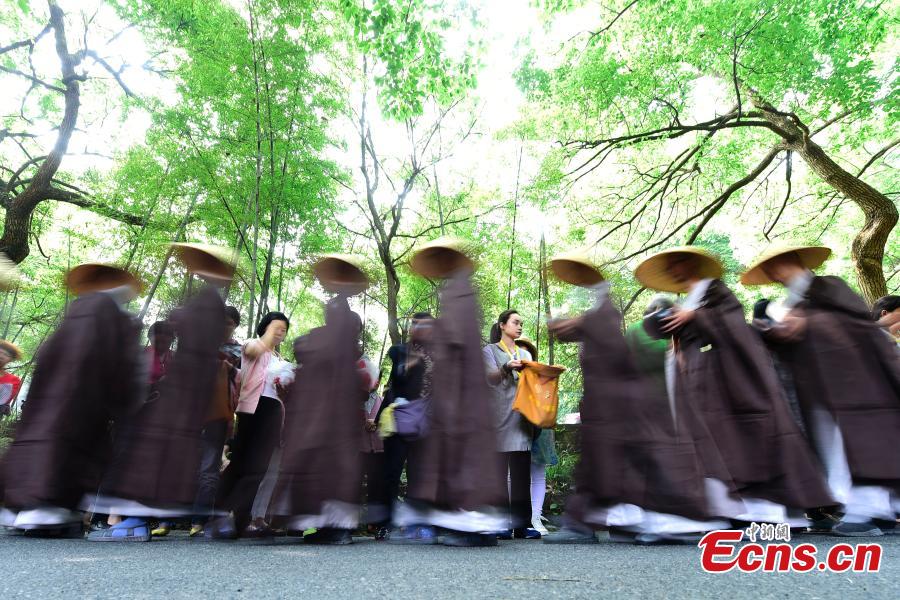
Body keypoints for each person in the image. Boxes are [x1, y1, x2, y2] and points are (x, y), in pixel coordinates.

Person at [633, 246, 834, 528]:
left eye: (677, 263)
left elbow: (733, 325)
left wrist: (696, 317)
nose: (673, 270)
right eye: (669, 267)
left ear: (692, 264)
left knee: (741, 441)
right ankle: (723, 510)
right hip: (698, 379)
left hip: (728, 379)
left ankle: (763, 513)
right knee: (711, 444)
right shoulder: (688, 299)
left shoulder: (714, 290)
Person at [543, 252, 723, 545]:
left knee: (630, 462)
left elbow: (612, 335)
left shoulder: (608, 312)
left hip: (630, 402)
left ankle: (660, 521)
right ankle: (603, 522)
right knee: (609, 463)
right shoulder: (601, 314)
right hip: (620, 401)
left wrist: (577, 324)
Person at [742, 245, 900, 536]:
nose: (775, 274)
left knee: (859, 443)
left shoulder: (829, 285)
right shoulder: (788, 302)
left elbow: (854, 325)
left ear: (791, 261)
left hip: (852, 382)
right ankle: (857, 507)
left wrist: (806, 324)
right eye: (771, 271)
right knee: (830, 447)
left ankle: (870, 509)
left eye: (777, 266)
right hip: (813, 386)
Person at [86, 243, 231, 541]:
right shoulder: (206, 302)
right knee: (157, 452)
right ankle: (132, 517)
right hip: (182, 392)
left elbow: (199, 342)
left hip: (183, 393)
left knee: (156, 452)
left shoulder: (207, 303)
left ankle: (135, 521)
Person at [1, 263, 143, 536]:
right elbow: (123, 366)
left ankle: (19, 506)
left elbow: (46, 355)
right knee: (69, 445)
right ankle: (47, 507)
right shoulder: (118, 318)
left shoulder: (74, 313)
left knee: (37, 441)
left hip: (49, 396)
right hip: (84, 397)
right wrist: (128, 403)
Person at [395, 238, 504, 547]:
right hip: (460, 388)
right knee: (461, 455)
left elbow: (455, 337)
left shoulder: (459, 290)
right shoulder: (459, 289)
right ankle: (468, 522)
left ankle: (473, 524)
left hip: (461, 390)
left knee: (465, 454)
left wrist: (430, 331)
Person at [271, 254, 369, 545]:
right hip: (325, 408)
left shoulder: (342, 328)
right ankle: (329, 526)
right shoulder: (336, 324)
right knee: (323, 463)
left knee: (329, 463)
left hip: (332, 410)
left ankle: (336, 527)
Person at [207, 310, 292, 538]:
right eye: (276, 327)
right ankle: (218, 515)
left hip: (274, 410)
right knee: (242, 463)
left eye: (283, 329)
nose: (279, 332)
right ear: (265, 327)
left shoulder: (280, 359)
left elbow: (280, 390)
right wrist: (269, 337)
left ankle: (242, 521)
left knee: (260, 468)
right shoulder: (252, 344)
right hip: (253, 408)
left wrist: (285, 388)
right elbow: (254, 352)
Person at [483, 310, 539, 539]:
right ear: (502, 325)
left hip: (521, 419)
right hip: (498, 418)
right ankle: (500, 524)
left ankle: (522, 525)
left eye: (521, 323)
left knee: (521, 475)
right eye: (515, 322)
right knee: (497, 475)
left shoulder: (525, 353)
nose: (519, 326)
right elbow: (489, 378)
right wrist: (507, 367)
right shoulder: (489, 350)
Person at [380, 312, 435, 541]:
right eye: (417, 324)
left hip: (428, 420)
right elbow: (396, 381)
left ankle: (418, 523)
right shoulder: (400, 351)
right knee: (392, 471)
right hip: (402, 417)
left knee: (420, 473)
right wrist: (376, 421)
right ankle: (387, 523)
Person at [188, 306, 242, 537]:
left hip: (219, 412)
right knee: (183, 465)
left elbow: (242, 381)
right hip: (191, 411)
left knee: (209, 467)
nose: (224, 326)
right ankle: (169, 518)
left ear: (235, 325)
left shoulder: (239, 351)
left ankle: (199, 519)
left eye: (229, 322)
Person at [514, 337, 557, 536]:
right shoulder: (509, 377)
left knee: (537, 472)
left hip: (539, 424)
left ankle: (535, 517)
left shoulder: (542, 377)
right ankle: (514, 518)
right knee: (512, 473)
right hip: (514, 424)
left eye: (527, 353)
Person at [0, 340, 23, 417]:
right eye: (0, 352)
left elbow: (2, 401)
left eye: (6, 354)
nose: (1, 356)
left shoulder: (13, 380)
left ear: (11, 359)